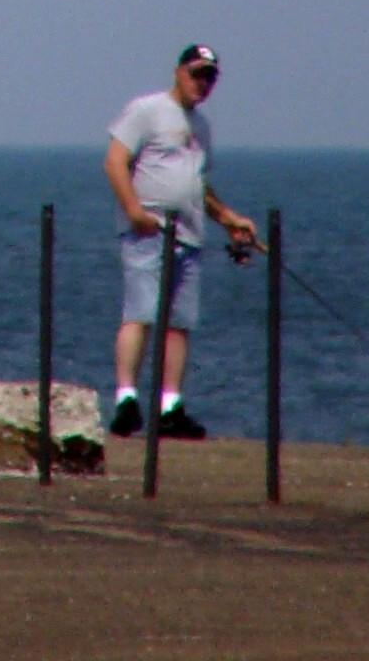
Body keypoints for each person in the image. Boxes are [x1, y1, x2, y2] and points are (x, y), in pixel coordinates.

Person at [104, 43, 256, 441]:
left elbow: (198, 185)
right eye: (196, 74)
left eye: (210, 77)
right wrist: (134, 210)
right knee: (140, 313)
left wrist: (228, 219)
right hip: (148, 230)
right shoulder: (147, 110)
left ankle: (170, 406)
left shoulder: (202, 127)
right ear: (178, 72)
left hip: (188, 235)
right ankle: (125, 399)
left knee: (178, 323)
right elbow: (115, 160)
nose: (202, 83)